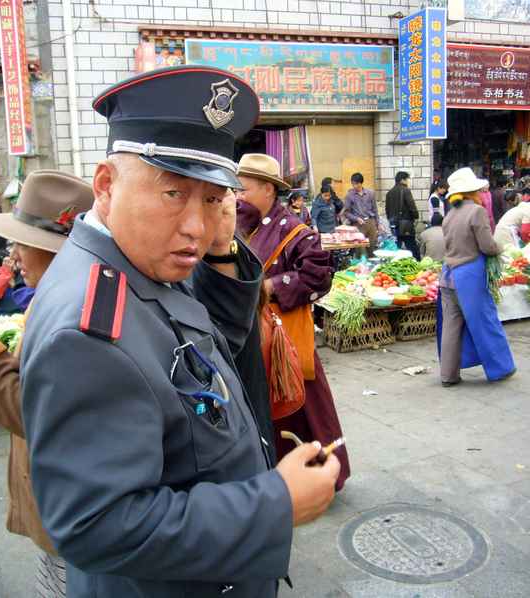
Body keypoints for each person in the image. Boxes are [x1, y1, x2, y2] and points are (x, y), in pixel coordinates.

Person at [20, 66, 341, 598]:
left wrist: (221, 248)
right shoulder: (89, 331)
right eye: (173, 192)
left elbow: (217, 342)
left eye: (213, 200)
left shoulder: (141, 259)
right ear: (105, 185)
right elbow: (96, 524)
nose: (195, 224)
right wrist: (274, 503)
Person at [0, 171, 94, 598]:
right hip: (62, 505)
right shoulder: (63, 294)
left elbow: (36, 412)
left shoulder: (75, 310)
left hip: (74, 512)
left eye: (23, 242)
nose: (14, 254)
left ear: (55, 251)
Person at [235, 153, 350, 490]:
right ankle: (276, 473)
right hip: (253, 337)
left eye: (243, 190)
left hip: (287, 341)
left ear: (269, 189)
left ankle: (324, 475)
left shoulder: (296, 231)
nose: (237, 197)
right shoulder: (241, 225)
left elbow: (318, 277)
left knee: (307, 409)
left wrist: (269, 287)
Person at [438, 167, 516, 387]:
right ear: (473, 191)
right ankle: (501, 369)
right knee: (486, 322)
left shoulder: (450, 214)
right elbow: (487, 246)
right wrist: (501, 247)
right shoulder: (476, 212)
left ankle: (448, 376)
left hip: (447, 276)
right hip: (469, 276)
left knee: (451, 326)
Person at [385, 171, 421, 260]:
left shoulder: (389, 193)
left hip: (394, 225)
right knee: (412, 247)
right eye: (407, 179)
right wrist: (416, 216)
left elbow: (387, 210)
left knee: (396, 247)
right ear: (402, 180)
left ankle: (395, 264)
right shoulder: (405, 190)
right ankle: (418, 264)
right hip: (405, 224)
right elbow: (411, 205)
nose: (408, 182)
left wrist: (391, 220)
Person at [343, 172, 378, 255]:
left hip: (370, 222)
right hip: (358, 225)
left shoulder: (370, 193)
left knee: (372, 247)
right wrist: (356, 219)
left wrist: (378, 223)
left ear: (361, 183)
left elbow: (375, 209)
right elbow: (346, 212)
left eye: (357, 184)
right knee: (360, 250)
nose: (355, 186)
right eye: (353, 184)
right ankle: (361, 266)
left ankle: (372, 266)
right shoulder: (349, 195)